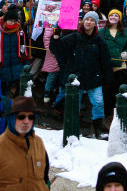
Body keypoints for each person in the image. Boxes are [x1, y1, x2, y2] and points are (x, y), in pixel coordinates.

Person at [53, 10, 112, 139]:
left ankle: (98, 129)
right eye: (87, 19)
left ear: (95, 23)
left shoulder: (99, 41)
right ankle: (71, 128)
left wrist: (107, 78)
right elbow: (58, 50)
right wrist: (56, 37)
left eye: (91, 20)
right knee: (75, 104)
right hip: (76, 77)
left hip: (93, 77)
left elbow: (106, 60)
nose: (88, 22)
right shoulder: (73, 37)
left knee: (98, 103)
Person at [0, 96, 48, 190]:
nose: (26, 121)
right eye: (21, 117)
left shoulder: (38, 143)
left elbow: (45, 180)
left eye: (31, 117)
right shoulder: (1, 146)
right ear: (12, 118)